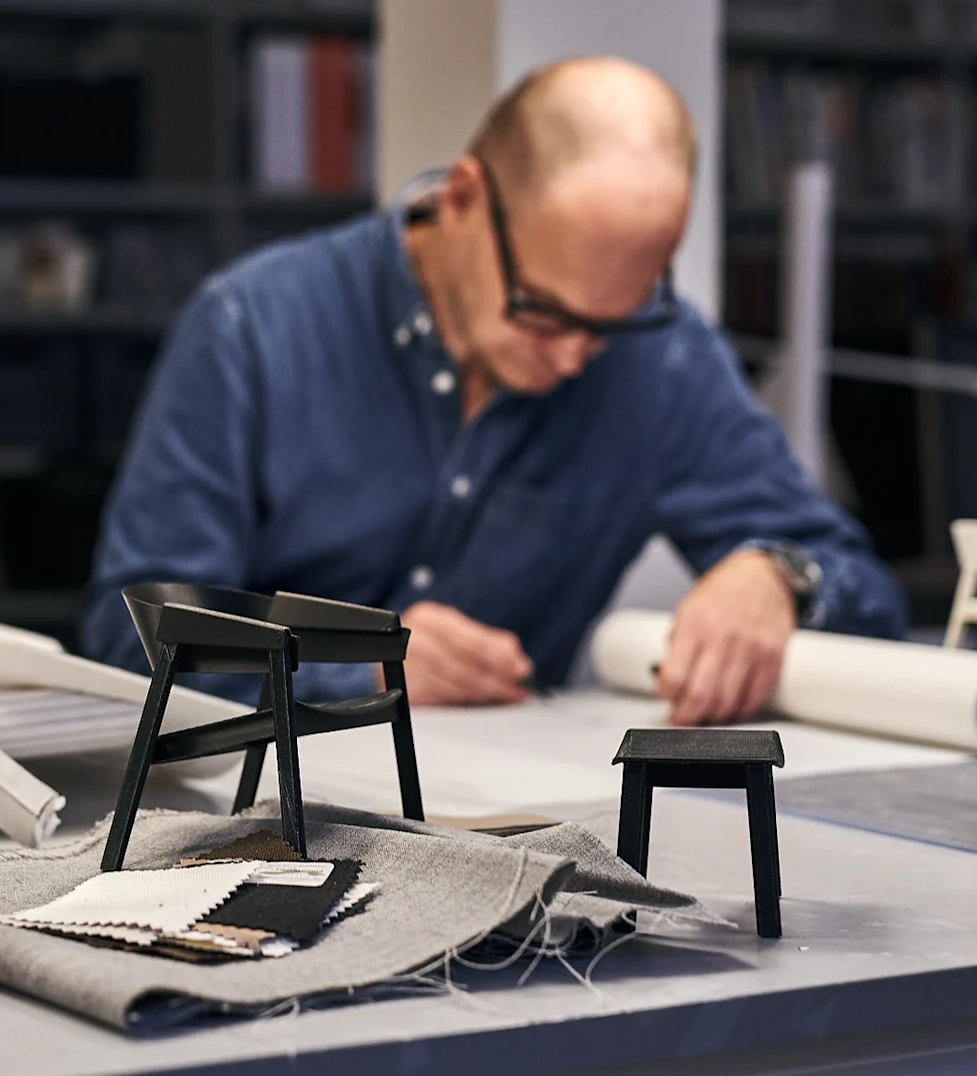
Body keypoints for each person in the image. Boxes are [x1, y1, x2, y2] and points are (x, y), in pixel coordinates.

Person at [79, 56, 904, 726]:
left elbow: (864, 586)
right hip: (258, 803)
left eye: (613, 320)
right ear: (464, 200)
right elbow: (129, 638)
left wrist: (776, 578)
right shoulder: (251, 327)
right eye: (542, 311)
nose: (579, 356)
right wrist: (347, 663)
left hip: (513, 827)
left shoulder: (663, 359)